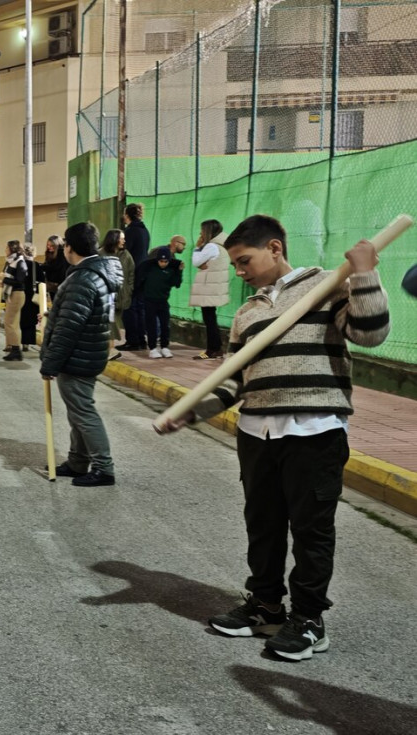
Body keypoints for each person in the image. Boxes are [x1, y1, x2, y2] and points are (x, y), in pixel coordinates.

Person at [157, 214, 389, 661]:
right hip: (256, 432)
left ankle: (309, 620)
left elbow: (371, 333)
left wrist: (364, 274)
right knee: (262, 526)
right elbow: (235, 380)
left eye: (244, 261)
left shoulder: (328, 285)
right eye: (235, 264)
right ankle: (266, 606)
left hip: (314, 431)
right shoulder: (249, 311)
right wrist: (192, 412)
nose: (239, 271)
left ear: (275, 248)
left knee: (311, 531)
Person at [41, 221, 121, 487]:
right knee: (78, 412)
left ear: (69, 247)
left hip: (78, 355)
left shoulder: (82, 279)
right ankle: (78, 462)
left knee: (83, 413)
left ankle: (103, 468)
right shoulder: (95, 274)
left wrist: (50, 363)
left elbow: (69, 328)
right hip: (89, 352)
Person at [190, 219, 231, 360]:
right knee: (211, 318)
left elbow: (196, 261)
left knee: (209, 319)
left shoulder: (211, 246)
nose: (200, 233)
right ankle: (216, 348)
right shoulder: (222, 246)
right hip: (215, 285)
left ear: (208, 231)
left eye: (202, 230)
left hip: (208, 286)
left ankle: (212, 350)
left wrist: (197, 247)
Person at [140, 236, 186, 359]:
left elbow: (176, 283)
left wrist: (179, 271)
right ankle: (153, 347)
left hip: (163, 300)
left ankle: (164, 346)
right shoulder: (151, 265)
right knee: (152, 325)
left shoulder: (171, 267)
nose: (163, 264)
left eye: (166, 262)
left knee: (165, 324)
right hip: (150, 299)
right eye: (161, 261)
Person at [99, 228, 135, 361]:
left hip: (121, 295)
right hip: (105, 294)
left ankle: (110, 349)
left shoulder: (126, 255)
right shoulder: (101, 254)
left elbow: (131, 273)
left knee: (113, 322)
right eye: (121, 238)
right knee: (109, 321)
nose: (124, 241)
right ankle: (110, 349)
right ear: (114, 239)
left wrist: (128, 289)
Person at [119, 202, 151, 350]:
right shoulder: (145, 231)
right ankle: (141, 340)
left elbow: (125, 252)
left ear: (127, 215)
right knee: (140, 307)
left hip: (132, 273)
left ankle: (132, 340)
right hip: (143, 272)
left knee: (129, 307)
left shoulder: (130, 232)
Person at [0, 240, 29, 361]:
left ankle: (16, 350)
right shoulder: (12, 261)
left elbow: (20, 281)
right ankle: (13, 347)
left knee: (9, 322)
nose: (5, 250)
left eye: (7, 248)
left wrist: (4, 280)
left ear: (12, 249)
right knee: (14, 323)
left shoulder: (20, 262)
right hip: (12, 293)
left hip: (16, 294)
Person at [19, 244, 40, 350]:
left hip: (21, 293)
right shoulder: (36, 266)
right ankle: (28, 341)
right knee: (31, 319)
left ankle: (21, 341)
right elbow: (42, 282)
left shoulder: (20, 264)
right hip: (33, 295)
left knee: (21, 318)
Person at [43, 235, 70, 301]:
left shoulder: (62, 254)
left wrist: (43, 267)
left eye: (52, 245)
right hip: (51, 284)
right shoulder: (49, 253)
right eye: (48, 245)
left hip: (59, 283)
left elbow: (56, 267)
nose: (49, 247)